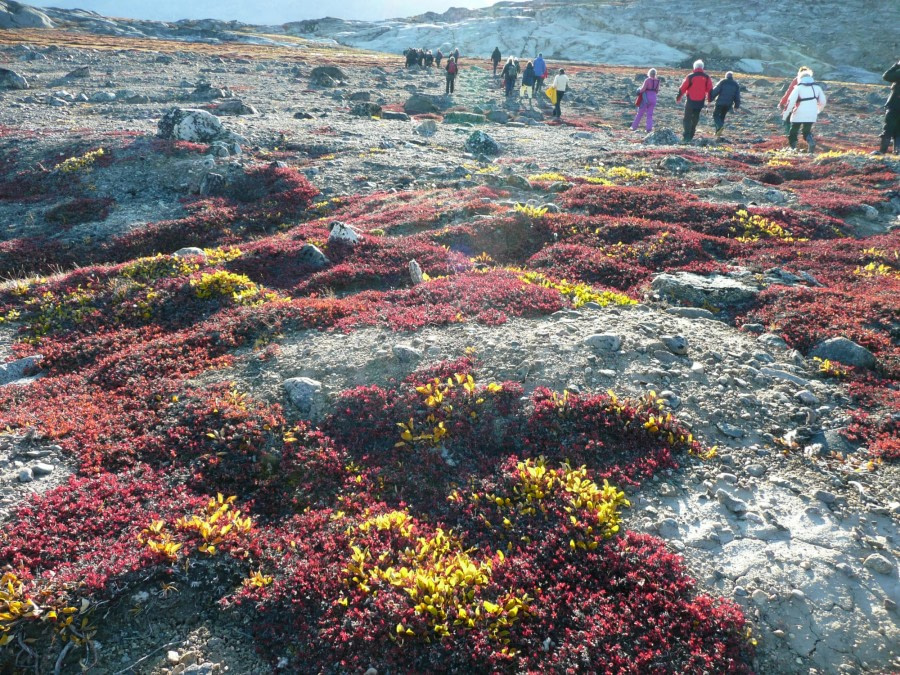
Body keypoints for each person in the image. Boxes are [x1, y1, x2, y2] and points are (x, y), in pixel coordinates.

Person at [783, 68, 826, 152]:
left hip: (798, 113)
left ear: (800, 78)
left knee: (794, 130)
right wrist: (818, 111)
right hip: (812, 114)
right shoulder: (817, 88)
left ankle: (793, 148)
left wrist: (785, 115)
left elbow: (790, 102)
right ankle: (811, 143)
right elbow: (823, 102)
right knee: (806, 131)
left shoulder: (798, 88)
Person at [676, 59, 713, 142]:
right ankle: (691, 134)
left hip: (690, 101)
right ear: (702, 67)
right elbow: (710, 90)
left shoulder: (690, 76)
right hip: (700, 101)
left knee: (687, 118)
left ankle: (686, 136)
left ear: (694, 67)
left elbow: (682, 88)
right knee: (695, 118)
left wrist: (678, 98)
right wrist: (709, 101)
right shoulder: (706, 77)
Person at [876, 59, 900, 154]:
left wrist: (897, 65)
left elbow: (887, 76)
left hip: (895, 104)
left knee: (888, 128)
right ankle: (897, 152)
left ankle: (882, 151)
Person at [779, 67, 810, 136]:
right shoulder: (811, 81)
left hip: (797, 103)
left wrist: (782, 102)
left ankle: (789, 135)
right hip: (809, 105)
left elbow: (789, 92)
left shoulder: (797, 80)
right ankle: (808, 137)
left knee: (788, 118)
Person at [710, 71, 741, 136]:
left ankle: (720, 126)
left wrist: (710, 98)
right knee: (722, 117)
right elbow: (737, 96)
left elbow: (716, 91)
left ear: (726, 76)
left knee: (715, 115)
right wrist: (736, 105)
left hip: (719, 103)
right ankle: (718, 133)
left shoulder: (722, 82)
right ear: (732, 76)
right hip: (728, 104)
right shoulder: (735, 84)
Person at [631, 67, 660, 132]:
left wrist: (638, 91)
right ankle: (649, 128)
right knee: (650, 114)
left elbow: (643, 89)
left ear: (649, 73)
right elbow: (657, 91)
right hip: (654, 98)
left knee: (640, 113)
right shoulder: (657, 81)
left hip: (646, 98)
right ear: (655, 74)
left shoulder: (647, 80)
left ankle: (634, 127)